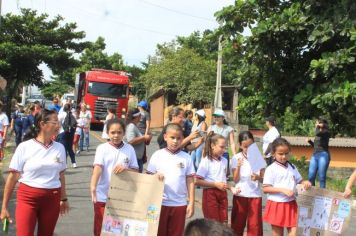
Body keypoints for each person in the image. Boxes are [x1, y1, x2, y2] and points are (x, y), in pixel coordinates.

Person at [0, 109, 69, 236]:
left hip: (52, 198)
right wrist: (4, 207)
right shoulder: (24, 147)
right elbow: (12, 177)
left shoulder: (60, 148)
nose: (58, 125)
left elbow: (61, 175)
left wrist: (63, 198)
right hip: (27, 198)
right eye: (55, 122)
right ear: (42, 124)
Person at [90, 118, 138, 236]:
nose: (116, 135)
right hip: (103, 195)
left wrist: (126, 169)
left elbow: (136, 170)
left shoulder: (129, 149)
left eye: (119, 132)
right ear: (107, 132)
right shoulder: (102, 148)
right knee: (101, 228)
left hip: (121, 196)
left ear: (124, 133)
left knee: (116, 230)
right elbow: (98, 168)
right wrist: (93, 186)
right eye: (112, 132)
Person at [147, 123, 195, 236]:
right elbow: (148, 178)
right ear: (165, 137)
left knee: (176, 233)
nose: (175, 141)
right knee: (157, 233)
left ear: (183, 138)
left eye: (178, 138)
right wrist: (155, 176)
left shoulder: (187, 158)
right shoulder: (157, 155)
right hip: (158, 204)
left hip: (179, 204)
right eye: (172, 137)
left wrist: (191, 202)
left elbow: (190, 181)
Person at [263, 138, 311, 236]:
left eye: (286, 153)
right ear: (273, 153)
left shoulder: (292, 166)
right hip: (277, 205)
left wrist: (305, 182)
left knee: (295, 233)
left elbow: (300, 181)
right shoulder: (271, 169)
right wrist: (282, 190)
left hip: (291, 204)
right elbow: (265, 188)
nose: (284, 156)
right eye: (280, 154)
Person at [231, 131, 266, 236]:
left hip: (255, 195)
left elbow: (264, 178)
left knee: (255, 225)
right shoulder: (236, 158)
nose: (248, 149)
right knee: (237, 224)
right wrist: (238, 166)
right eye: (245, 146)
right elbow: (235, 179)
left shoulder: (257, 157)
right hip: (241, 194)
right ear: (240, 146)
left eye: (251, 145)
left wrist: (258, 177)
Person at [195, 132, 229, 224]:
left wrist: (231, 188)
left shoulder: (225, 160)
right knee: (213, 225)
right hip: (210, 194)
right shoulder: (206, 161)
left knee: (224, 223)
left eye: (225, 147)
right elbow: (196, 180)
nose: (224, 150)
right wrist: (215, 184)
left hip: (223, 194)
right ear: (213, 146)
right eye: (221, 147)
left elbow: (223, 180)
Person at [208, 109, 236, 176]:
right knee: (212, 173)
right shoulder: (210, 128)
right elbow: (207, 142)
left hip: (224, 153)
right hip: (212, 154)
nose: (216, 118)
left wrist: (235, 155)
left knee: (223, 173)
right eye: (215, 116)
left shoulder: (229, 129)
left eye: (218, 116)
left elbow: (232, 143)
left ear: (223, 118)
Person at [306, 117, 331, 189]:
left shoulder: (326, 132)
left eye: (318, 122)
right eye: (316, 123)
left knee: (322, 176)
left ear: (322, 124)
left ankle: (322, 194)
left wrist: (317, 126)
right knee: (311, 176)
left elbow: (318, 132)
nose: (316, 124)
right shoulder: (318, 134)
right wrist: (310, 142)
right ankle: (312, 192)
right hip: (315, 155)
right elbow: (315, 146)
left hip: (323, 155)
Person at [125, 108, 151, 173]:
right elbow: (131, 140)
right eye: (140, 116)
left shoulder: (135, 126)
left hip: (138, 159)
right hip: (134, 159)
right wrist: (144, 137)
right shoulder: (131, 126)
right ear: (137, 116)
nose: (141, 117)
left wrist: (146, 138)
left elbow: (139, 140)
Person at [58, 103, 77, 168]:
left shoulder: (61, 114)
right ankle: (74, 163)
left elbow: (58, 123)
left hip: (63, 132)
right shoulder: (73, 114)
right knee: (70, 148)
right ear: (70, 108)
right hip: (71, 133)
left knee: (64, 148)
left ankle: (65, 164)